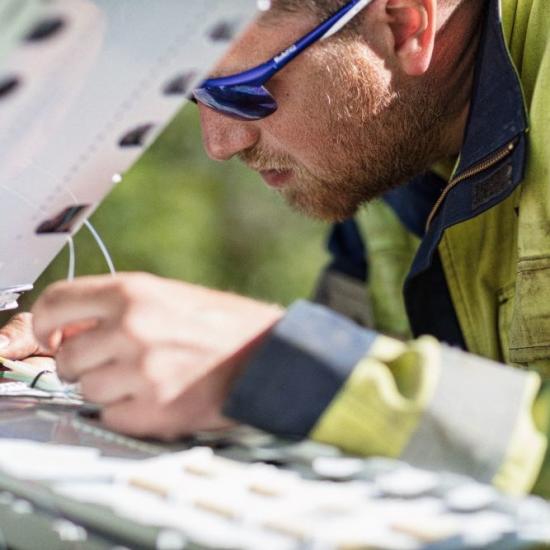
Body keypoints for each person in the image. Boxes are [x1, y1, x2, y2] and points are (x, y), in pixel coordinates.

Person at [0, 0, 549, 498]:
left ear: (407, 23)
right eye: (191, 92)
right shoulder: (381, 149)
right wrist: (126, 369)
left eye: (243, 93)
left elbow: (334, 382)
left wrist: (281, 370)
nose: (219, 143)